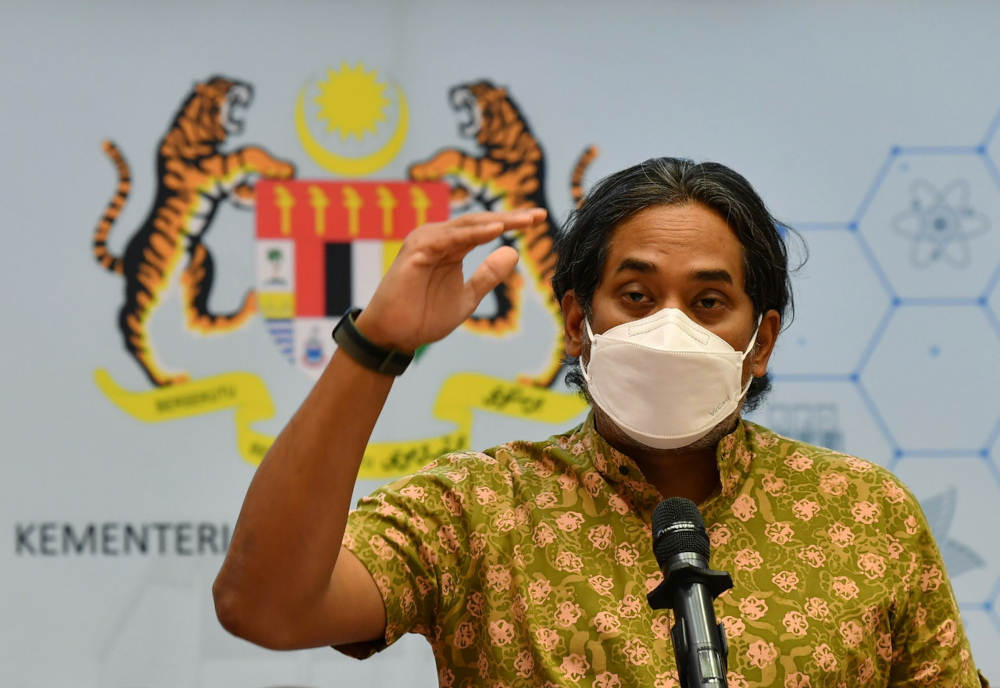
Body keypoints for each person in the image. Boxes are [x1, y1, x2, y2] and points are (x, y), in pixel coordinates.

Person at [214, 157, 988, 687]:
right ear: (580, 323)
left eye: (710, 303)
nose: (671, 327)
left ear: (763, 342)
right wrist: (375, 345)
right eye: (639, 296)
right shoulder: (479, 509)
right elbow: (265, 606)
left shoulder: (865, 514)